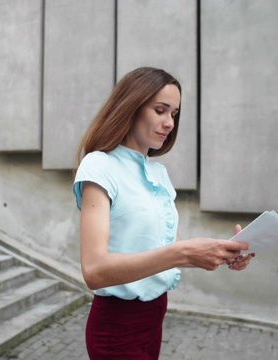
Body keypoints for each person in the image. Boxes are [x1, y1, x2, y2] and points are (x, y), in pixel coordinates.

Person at [73, 67, 255, 359]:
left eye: (174, 114)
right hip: (116, 327)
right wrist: (183, 253)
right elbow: (94, 271)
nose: (169, 122)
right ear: (131, 107)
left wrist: (223, 252)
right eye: (161, 110)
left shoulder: (158, 173)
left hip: (155, 315)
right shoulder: (100, 166)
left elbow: (168, 247)